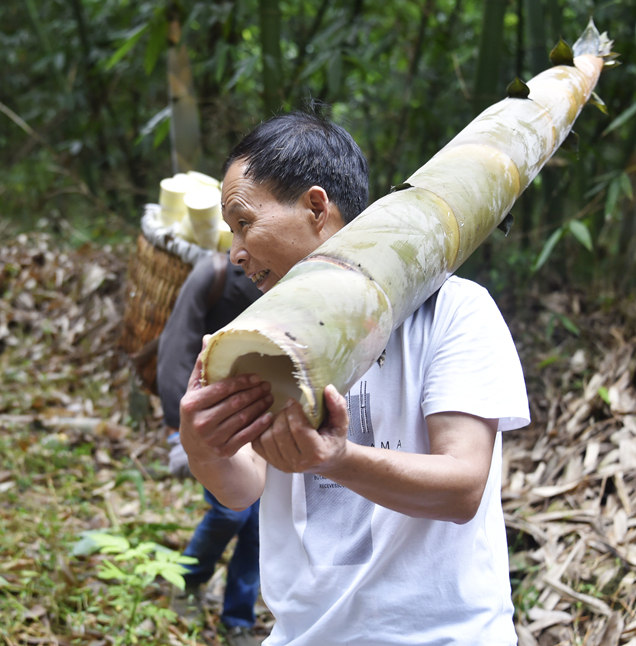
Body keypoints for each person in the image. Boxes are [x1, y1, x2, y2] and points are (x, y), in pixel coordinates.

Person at [178, 110, 530, 645]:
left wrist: (337, 460)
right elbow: (243, 487)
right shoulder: (260, 335)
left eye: (244, 221)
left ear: (316, 207)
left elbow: (461, 487)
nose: (236, 253)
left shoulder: (455, 310)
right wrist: (202, 443)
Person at [156, 250, 262, 646]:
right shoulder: (214, 273)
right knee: (230, 513)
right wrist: (178, 432)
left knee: (258, 527)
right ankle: (187, 580)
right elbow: (175, 350)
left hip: (263, 416)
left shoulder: (295, 276)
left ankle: (239, 617)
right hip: (215, 420)